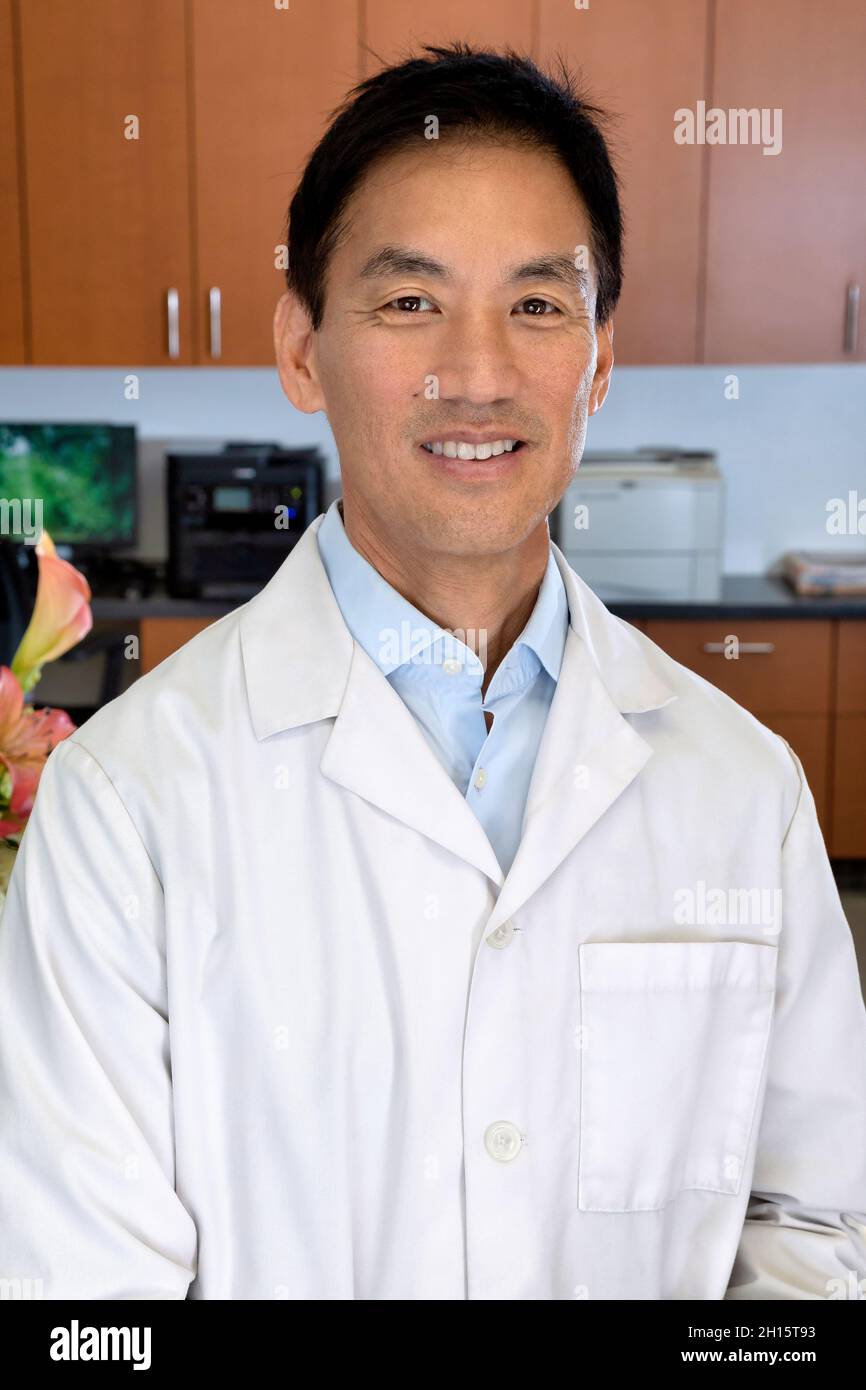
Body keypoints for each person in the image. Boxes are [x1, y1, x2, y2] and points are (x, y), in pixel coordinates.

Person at [1, 42, 864, 1301]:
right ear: (300, 346)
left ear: (599, 360)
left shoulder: (743, 791)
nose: (477, 373)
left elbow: (813, 1227)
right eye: (410, 302)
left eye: (536, 303)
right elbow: (80, 1311)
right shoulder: (128, 807)